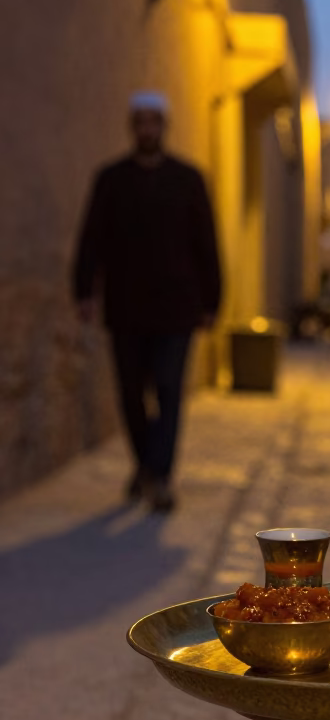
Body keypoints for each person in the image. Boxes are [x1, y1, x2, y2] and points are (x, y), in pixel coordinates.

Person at [72, 92, 222, 513]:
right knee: (131, 393)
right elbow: (91, 239)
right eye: (140, 122)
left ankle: (161, 477)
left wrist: (212, 299)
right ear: (132, 127)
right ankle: (144, 465)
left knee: (170, 390)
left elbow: (206, 243)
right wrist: (83, 291)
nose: (146, 129)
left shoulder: (188, 179)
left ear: (163, 126)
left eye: (153, 121)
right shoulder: (111, 179)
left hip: (177, 307)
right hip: (125, 306)